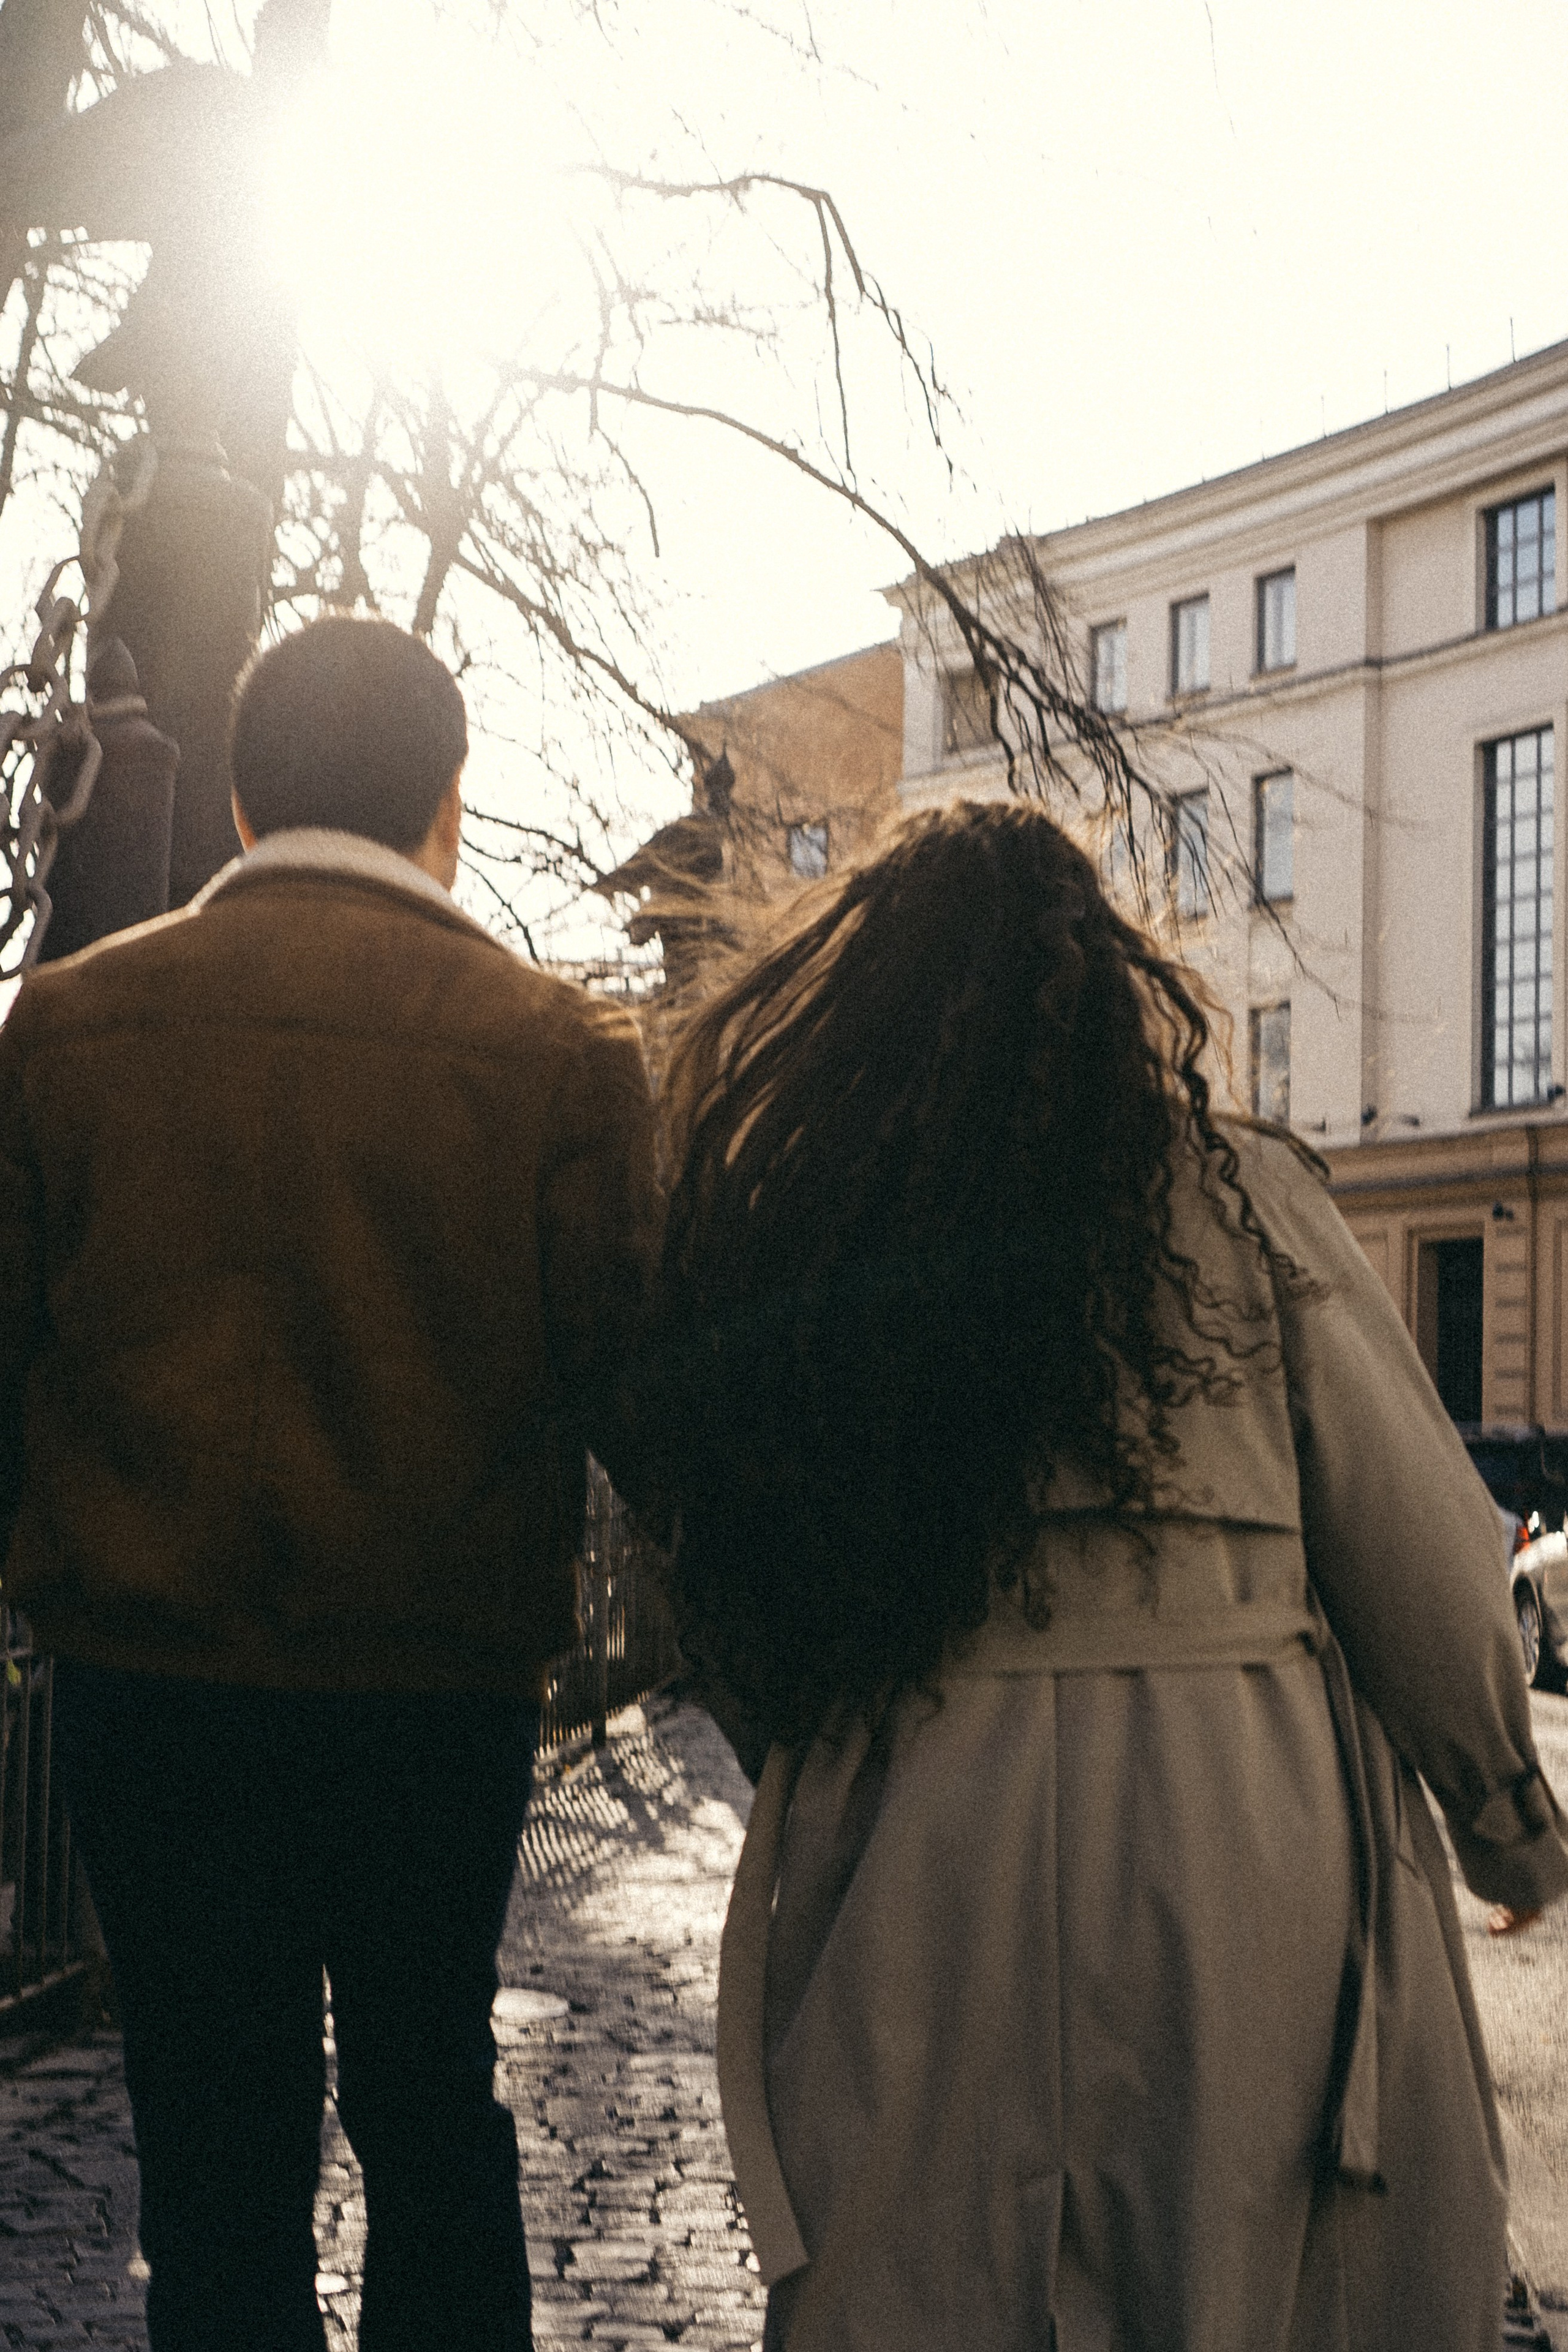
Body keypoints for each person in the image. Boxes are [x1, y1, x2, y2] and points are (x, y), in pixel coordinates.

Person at [644, 799, 1568, 2352]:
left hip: (915, 1828)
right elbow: (1429, 1558)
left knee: (927, 2280)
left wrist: (823, 1747)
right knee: (1244, 2281)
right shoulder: (1248, 1204)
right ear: (1107, 977)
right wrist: (1505, 1831)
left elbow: (717, 1569)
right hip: (1242, 1823)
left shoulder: (806, 1235)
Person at [0, 616, 660, 2352]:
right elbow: (636, 1394)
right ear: (449, 805)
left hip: (151, 1688)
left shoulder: (61, 1032)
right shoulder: (561, 1053)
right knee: (434, 2113)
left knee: (215, 2160)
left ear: (234, 796)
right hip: (433, 1694)